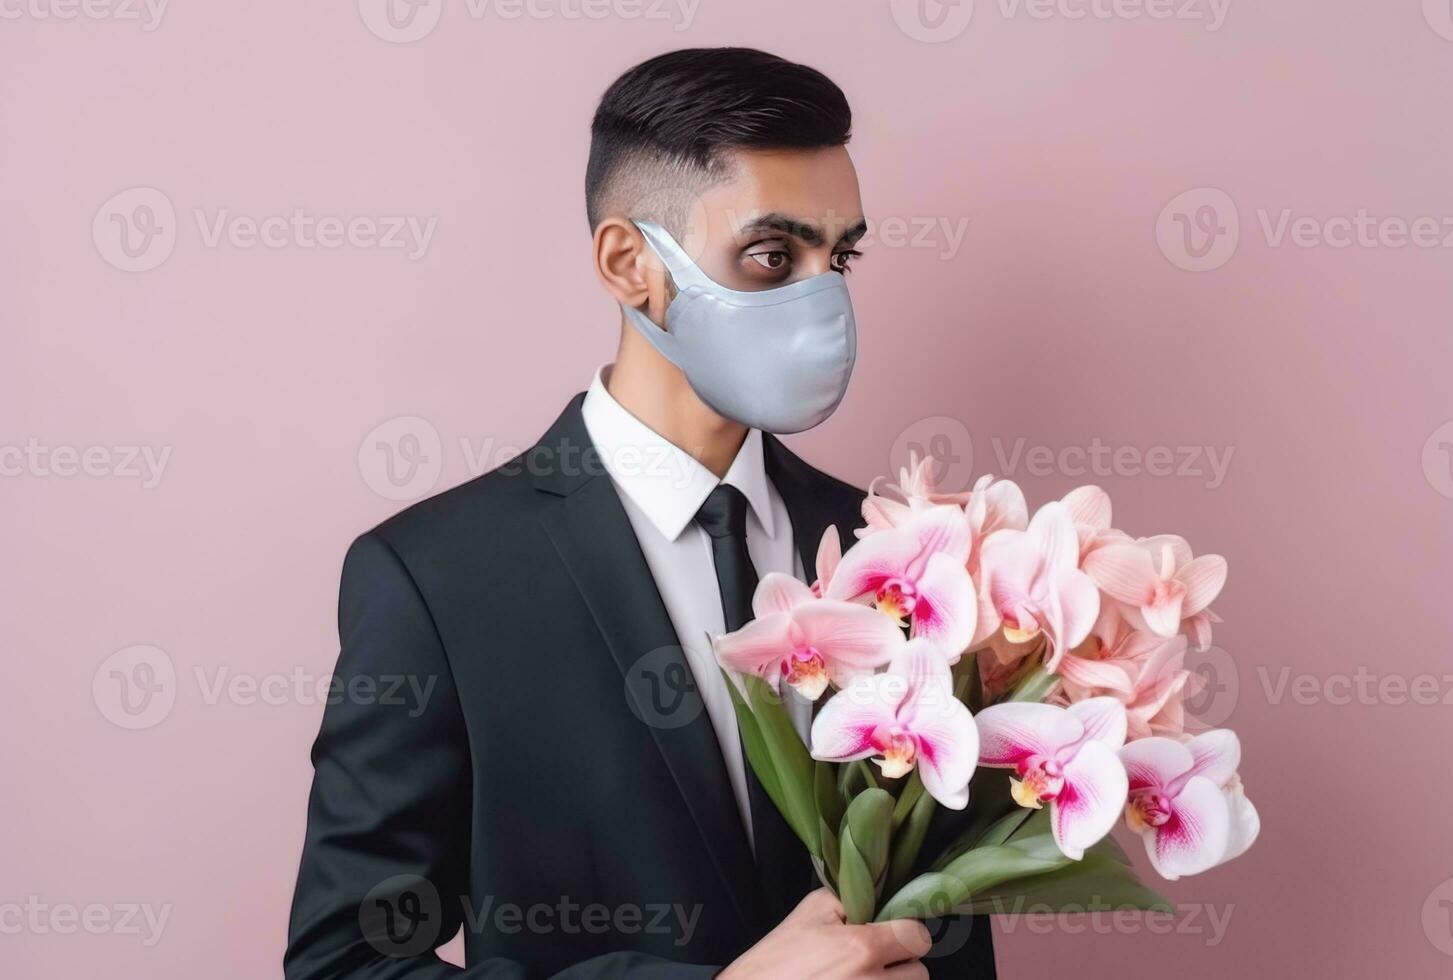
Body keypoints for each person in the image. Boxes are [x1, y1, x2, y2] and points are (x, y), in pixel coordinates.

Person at [285, 47, 995, 979]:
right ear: (629, 264)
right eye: (773, 255)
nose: (824, 299)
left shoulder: (895, 555)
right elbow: (348, 962)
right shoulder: (439, 579)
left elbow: (946, 928)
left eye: (841, 255)